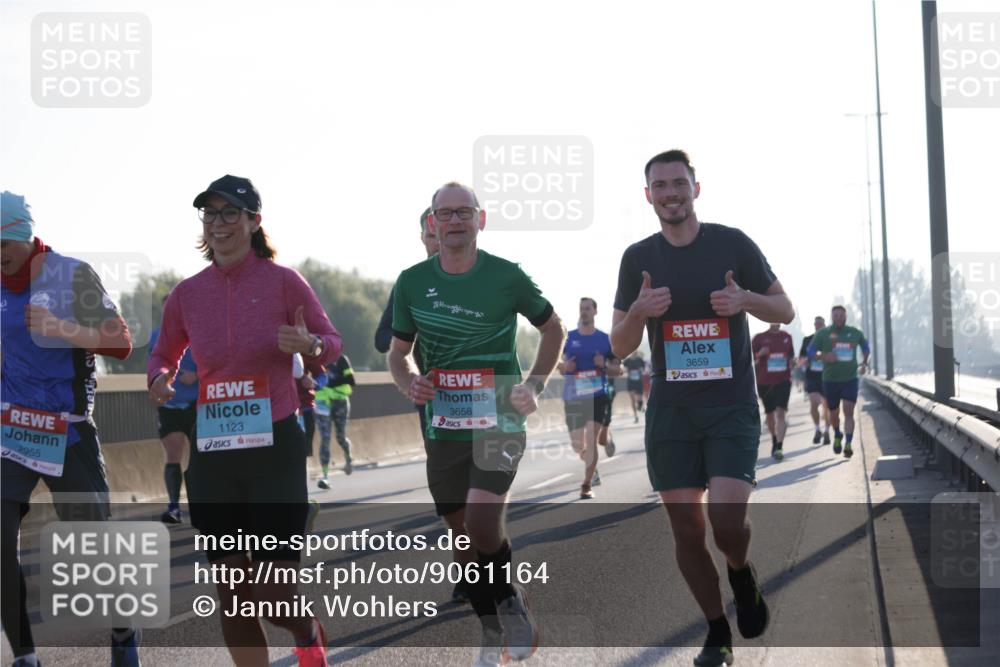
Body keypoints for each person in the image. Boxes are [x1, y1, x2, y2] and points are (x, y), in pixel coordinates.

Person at [148, 175, 342, 666]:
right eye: (210, 214)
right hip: (213, 450)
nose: (218, 224)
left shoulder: (283, 281)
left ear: (254, 221)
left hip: (273, 444)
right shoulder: (187, 294)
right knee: (233, 592)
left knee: (274, 593)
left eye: (230, 213)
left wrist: (311, 347)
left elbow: (329, 343)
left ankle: (306, 630)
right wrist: (160, 376)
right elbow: (163, 353)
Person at [611, 151, 794, 667]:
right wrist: (641, 313)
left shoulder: (733, 244)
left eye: (679, 183)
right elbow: (621, 345)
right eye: (660, 185)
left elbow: (785, 308)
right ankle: (717, 630)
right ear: (648, 195)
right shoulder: (637, 258)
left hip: (730, 404)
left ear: (696, 187)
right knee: (687, 530)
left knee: (727, 520)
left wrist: (746, 303)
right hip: (672, 412)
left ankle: (739, 569)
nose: (671, 193)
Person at [388, 182, 564, 667]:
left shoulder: (507, 277)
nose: (455, 221)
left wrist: (536, 383)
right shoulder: (411, 282)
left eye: (464, 212)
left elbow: (553, 328)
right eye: (445, 214)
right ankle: (491, 631)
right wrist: (410, 383)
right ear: (432, 223)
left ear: (480, 220)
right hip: (443, 428)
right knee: (463, 538)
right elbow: (399, 355)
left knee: (484, 521)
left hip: (499, 421)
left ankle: (510, 597)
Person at [1, 191, 141, 667]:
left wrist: (64, 329)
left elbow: (121, 342)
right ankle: (25, 656)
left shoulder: (71, 274)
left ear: (25, 233)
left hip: (68, 432)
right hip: (11, 433)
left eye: (4, 240)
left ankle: (124, 633)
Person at [375, 208, 473, 604]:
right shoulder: (410, 285)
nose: (439, 241)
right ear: (424, 239)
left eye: (445, 233)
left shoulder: (482, 278)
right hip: (435, 403)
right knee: (452, 497)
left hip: (483, 397)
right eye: (431, 235)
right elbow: (384, 339)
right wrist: (409, 343)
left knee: (482, 494)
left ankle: (483, 569)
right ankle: (470, 571)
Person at [558, 297, 620, 499]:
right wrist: (564, 367)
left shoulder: (604, 339)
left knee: (592, 438)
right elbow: (556, 362)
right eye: (581, 309)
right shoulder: (568, 337)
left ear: (595, 311)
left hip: (597, 395)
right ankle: (591, 467)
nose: (583, 312)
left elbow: (617, 370)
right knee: (578, 445)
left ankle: (586, 485)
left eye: (587, 308)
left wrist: (604, 365)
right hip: (573, 397)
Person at [149, 294, 198, 524]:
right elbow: (156, 364)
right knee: (174, 453)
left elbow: (219, 362)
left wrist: (197, 375)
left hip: (198, 403)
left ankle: (203, 505)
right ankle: (174, 507)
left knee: (202, 456)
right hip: (170, 404)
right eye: (165, 308)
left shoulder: (199, 331)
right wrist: (157, 380)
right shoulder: (156, 336)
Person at [806, 305, 869, 458]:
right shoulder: (824, 333)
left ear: (846, 316)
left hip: (850, 379)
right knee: (834, 413)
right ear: (832, 317)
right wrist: (824, 356)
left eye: (841, 315)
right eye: (836, 315)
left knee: (849, 411)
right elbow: (810, 351)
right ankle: (837, 434)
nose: (839, 318)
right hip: (830, 380)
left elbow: (866, 347)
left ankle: (848, 443)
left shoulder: (854, 333)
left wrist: (865, 363)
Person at [751, 324, 794, 461]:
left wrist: (793, 362)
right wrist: (759, 354)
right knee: (770, 415)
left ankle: (780, 446)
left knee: (781, 413)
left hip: (783, 381)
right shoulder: (759, 338)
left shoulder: (787, 337)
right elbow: (748, 359)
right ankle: (774, 439)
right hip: (765, 382)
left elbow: (791, 357)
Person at [315, 353, 355, 486]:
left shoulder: (341, 359)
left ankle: (348, 458)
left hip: (340, 402)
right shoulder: (313, 359)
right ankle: (325, 476)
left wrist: (329, 382)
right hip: (322, 403)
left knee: (340, 437)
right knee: (325, 439)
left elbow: (351, 380)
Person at [798, 316, 831, 445]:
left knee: (827, 407)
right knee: (814, 403)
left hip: (827, 377)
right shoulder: (807, 340)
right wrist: (804, 361)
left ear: (825, 325)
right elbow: (800, 360)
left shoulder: (830, 340)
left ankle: (827, 431)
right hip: (812, 377)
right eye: (816, 324)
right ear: (814, 325)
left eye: (821, 324)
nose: (818, 326)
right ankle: (817, 429)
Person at [623, 352, 647, 423]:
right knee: (632, 400)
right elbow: (624, 369)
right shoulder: (627, 361)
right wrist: (626, 371)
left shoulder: (639, 359)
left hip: (638, 381)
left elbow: (643, 369)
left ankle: (640, 406)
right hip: (631, 382)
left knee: (639, 400)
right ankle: (635, 416)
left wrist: (640, 369)